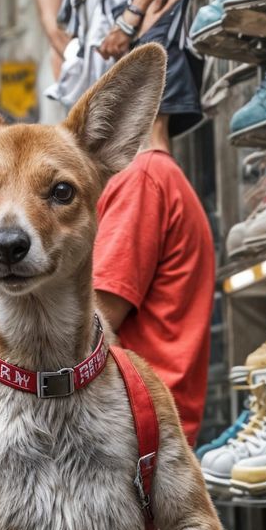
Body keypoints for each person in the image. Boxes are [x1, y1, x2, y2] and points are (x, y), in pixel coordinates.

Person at [93, 81, 216, 446]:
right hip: (146, 425)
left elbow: (94, 323)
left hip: (131, 427)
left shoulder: (142, 179)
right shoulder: (163, 178)